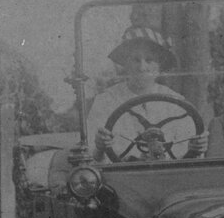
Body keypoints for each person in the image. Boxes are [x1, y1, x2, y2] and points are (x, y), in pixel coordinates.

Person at [85, 26, 207, 160]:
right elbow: (91, 155)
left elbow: (190, 153)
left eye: (149, 60)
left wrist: (196, 147)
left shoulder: (176, 103)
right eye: (136, 60)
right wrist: (100, 147)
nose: (142, 68)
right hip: (121, 171)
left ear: (159, 66)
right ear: (126, 64)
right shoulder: (106, 101)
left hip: (169, 171)